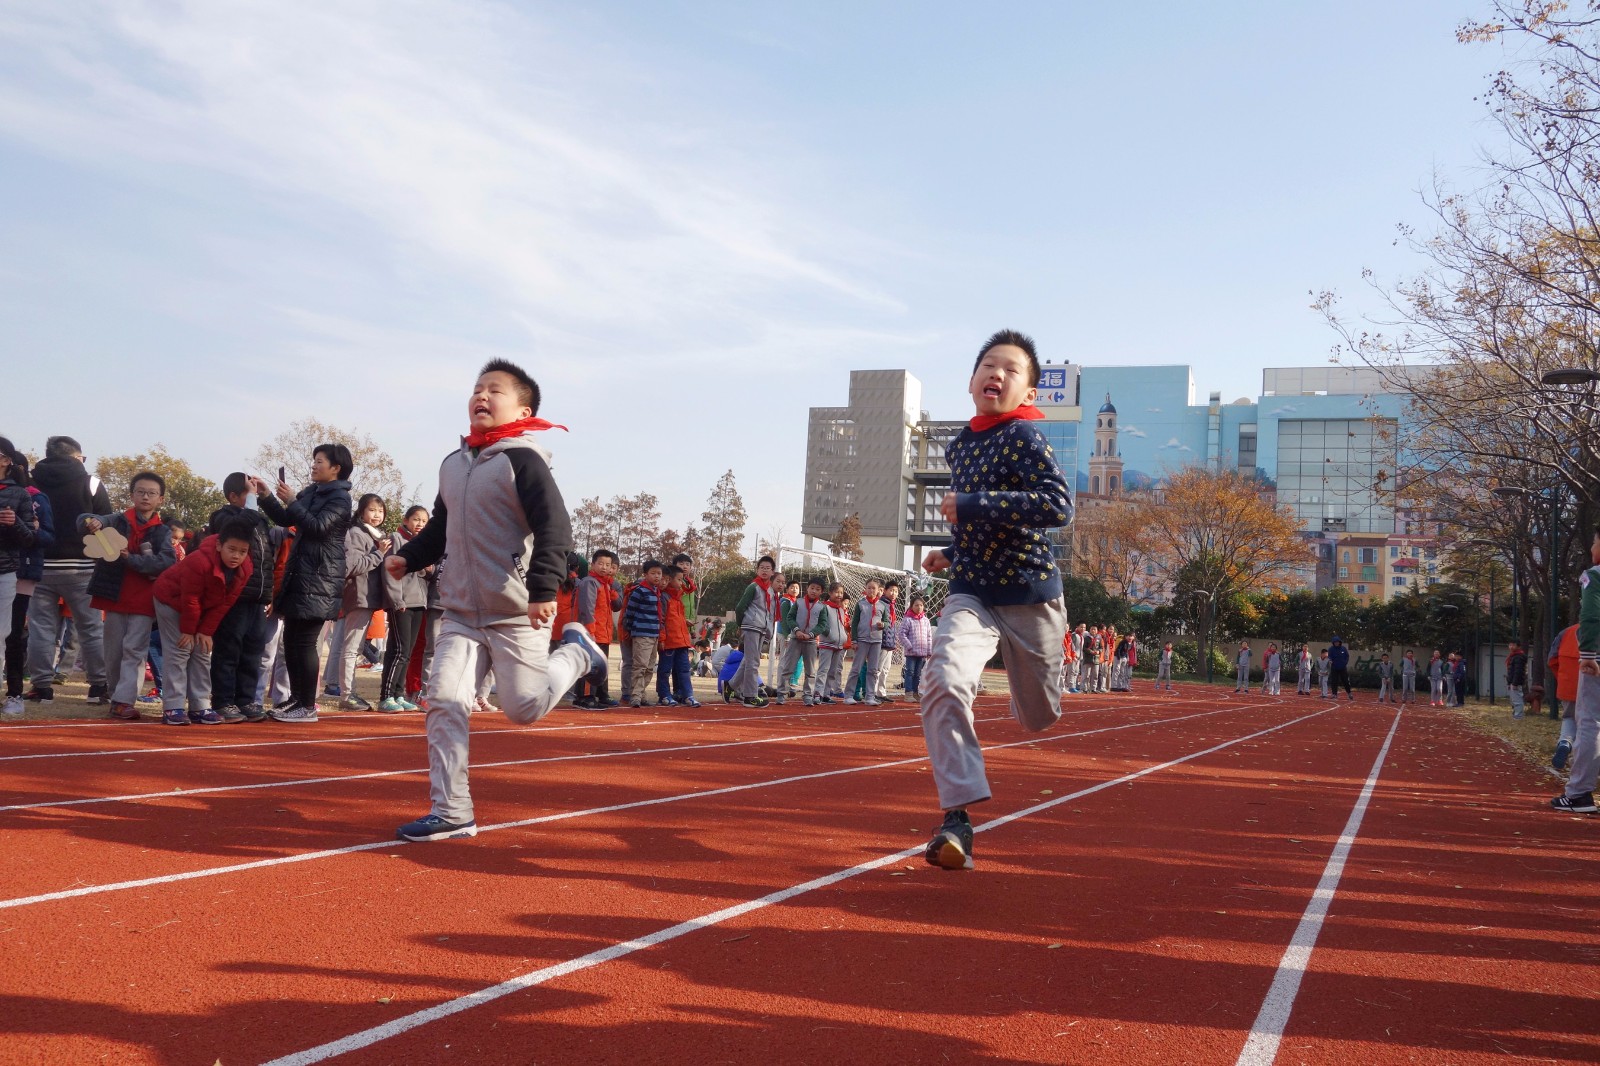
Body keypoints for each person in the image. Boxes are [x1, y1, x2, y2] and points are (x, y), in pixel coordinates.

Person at [387, 358, 605, 841]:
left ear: (523, 409)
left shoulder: (522, 460)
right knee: (443, 700)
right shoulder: (453, 463)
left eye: (495, 390)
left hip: (514, 611)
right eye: (477, 389)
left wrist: (543, 589)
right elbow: (443, 526)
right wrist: (409, 555)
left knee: (522, 708)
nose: (481, 396)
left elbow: (555, 527)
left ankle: (576, 654)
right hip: (462, 611)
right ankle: (452, 811)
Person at [919, 329, 1072, 872]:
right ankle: (956, 815)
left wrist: (973, 505)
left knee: (1039, 716)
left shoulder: (1025, 438)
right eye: (989, 364)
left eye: (1011, 370)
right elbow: (977, 524)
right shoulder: (961, 444)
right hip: (974, 593)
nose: (997, 373)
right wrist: (951, 552)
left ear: (1026, 393)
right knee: (940, 678)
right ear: (971, 381)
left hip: (1030, 596)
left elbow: (1057, 506)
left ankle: (1029, 679)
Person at [252, 443, 355, 722]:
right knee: (292, 641)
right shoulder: (312, 492)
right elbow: (288, 519)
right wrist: (267, 495)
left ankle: (307, 705)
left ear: (336, 468)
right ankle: (296, 699)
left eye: (319, 461)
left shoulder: (341, 499)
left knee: (306, 642)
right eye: (314, 460)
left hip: (320, 578)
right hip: (301, 574)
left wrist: (293, 501)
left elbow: (318, 527)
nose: (314, 465)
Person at [78, 472, 177, 720]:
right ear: (132, 495)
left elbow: (166, 561)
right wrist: (92, 521)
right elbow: (85, 519)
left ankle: (124, 701)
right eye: (140, 491)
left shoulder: (162, 531)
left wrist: (129, 559)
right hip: (113, 594)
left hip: (144, 597)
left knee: (135, 649)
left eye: (151, 493)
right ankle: (116, 696)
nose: (145, 496)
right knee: (113, 651)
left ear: (160, 499)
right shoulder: (115, 520)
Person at [24, 436, 113, 704]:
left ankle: (41, 688)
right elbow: (107, 523)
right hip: (82, 567)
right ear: (76, 457)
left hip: (39, 565)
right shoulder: (91, 483)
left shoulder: (30, 482)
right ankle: (98, 687)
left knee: (41, 629)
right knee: (91, 629)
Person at [150, 520, 256, 724]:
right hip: (170, 600)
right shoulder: (199, 561)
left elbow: (226, 602)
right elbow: (190, 598)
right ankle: (173, 707)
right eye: (231, 549)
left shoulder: (245, 568)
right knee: (180, 650)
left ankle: (200, 706)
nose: (236, 556)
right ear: (219, 545)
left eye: (242, 551)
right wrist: (189, 630)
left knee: (203, 650)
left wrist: (205, 631)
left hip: (199, 606)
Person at [204, 473, 277, 722]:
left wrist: (269, 592)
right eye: (249, 493)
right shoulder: (223, 517)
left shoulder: (259, 521)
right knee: (228, 649)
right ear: (233, 496)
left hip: (257, 596)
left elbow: (268, 556)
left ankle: (246, 700)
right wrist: (253, 505)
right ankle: (223, 700)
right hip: (233, 595)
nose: (254, 498)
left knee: (252, 651)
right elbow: (239, 530)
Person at [1552, 524, 1600, 813]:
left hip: (1597, 658)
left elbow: (1592, 615)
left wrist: (1587, 655)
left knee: (1589, 722)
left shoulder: (1593, 576)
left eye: (1594, 543)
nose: (1592, 549)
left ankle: (1579, 792)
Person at [2, 447, 52, 718]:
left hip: (21, 571)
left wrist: (22, 524)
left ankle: (14, 692)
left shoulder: (34, 497)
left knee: (12, 635)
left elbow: (43, 537)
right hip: (9, 568)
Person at [333, 493, 390, 711]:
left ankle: (350, 693)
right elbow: (352, 566)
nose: (377, 515)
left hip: (368, 597)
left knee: (354, 647)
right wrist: (379, 554)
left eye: (380, 511)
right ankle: (347, 695)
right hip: (359, 596)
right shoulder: (356, 533)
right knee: (351, 647)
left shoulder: (376, 535)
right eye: (372, 510)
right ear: (362, 512)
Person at [376, 505, 430, 712]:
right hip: (402, 603)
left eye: (424, 521)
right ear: (405, 520)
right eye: (416, 519)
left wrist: (426, 567)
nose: (420, 524)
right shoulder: (396, 539)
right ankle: (386, 696)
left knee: (407, 652)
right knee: (398, 650)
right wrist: (397, 600)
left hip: (419, 602)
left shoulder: (423, 544)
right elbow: (389, 571)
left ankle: (399, 695)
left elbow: (426, 573)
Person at [0, 440, 40, 693]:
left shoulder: (19, 494)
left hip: (5, 571)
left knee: (1, 635)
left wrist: (13, 522)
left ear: (6, 460)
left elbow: (29, 539)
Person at [575, 548, 622, 708]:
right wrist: (590, 632)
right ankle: (585, 697)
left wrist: (613, 592)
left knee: (601, 665)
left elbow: (615, 607)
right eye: (600, 563)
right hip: (593, 632)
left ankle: (602, 694)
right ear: (593, 564)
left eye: (608, 565)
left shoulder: (606, 585)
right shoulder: (590, 582)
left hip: (604, 632)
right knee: (590, 665)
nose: (604, 567)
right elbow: (587, 609)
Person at [729, 556, 778, 707]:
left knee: (749, 660)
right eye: (761, 567)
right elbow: (740, 607)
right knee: (753, 662)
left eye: (767, 568)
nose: (764, 570)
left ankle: (730, 686)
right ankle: (750, 696)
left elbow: (770, 613)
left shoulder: (770, 590)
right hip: (751, 627)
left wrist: (768, 630)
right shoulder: (753, 587)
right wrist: (741, 624)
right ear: (757, 570)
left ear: (772, 571)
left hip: (761, 628)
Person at [777, 578, 826, 705]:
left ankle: (807, 695)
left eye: (817, 589)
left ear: (821, 592)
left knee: (810, 670)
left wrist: (811, 634)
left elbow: (822, 624)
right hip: (795, 639)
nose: (814, 591)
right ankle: (782, 694)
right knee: (788, 667)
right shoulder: (798, 602)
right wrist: (797, 631)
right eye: (812, 588)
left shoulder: (821, 607)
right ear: (807, 588)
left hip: (810, 642)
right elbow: (790, 617)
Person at [622, 560, 664, 708]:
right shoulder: (640, 591)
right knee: (640, 665)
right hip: (642, 633)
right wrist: (630, 629)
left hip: (654, 634)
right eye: (653, 573)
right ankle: (635, 696)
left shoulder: (657, 592)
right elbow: (630, 612)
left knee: (650, 667)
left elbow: (660, 615)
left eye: (659, 573)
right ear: (645, 575)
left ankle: (642, 694)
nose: (657, 576)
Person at [656, 564, 698, 707]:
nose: (681, 583)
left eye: (682, 580)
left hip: (682, 641)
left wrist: (685, 622)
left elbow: (692, 588)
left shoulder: (678, 598)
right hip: (669, 642)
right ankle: (664, 695)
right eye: (679, 580)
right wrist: (662, 638)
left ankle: (688, 695)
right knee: (665, 670)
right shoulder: (664, 597)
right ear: (669, 580)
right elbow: (661, 620)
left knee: (685, 670)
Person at [846, 578, 889, 706]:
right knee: (856, 668)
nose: (871, 590)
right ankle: (849, 695)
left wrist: (883, 624)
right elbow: (854, 623)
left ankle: (870, 696)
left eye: (873, 588)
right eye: (868, 587)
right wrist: (854, 640)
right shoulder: (860, 604)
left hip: (876, 641)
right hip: (862, 640)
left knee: (873, 670)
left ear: (878, 590)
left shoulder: (882, 605)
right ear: (865, 589)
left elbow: (887, 621)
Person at [810, 581, 849, 705]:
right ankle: (817, 693)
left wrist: (843, 636)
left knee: (832, 671)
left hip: (839, 645)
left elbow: (841, 625)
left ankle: (826, 694)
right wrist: (830, 634)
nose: (839, 595)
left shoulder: (841, 610)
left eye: (841, 593)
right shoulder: (824, 607)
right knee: (823, 669)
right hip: (827, 643)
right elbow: (822, 624)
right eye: (836, 592)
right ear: (830, 593)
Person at [1549, 624, 1578, 771]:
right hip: (1594, 686)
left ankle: (1565, 742)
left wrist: (1562, 678)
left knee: (1569, 717)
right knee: (1592, 726)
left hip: (1568, 685)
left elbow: (1552, 660)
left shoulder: (1565, 632)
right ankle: (1581, 764)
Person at [896, 593, 933, 701]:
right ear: (912, 606)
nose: (919, 607)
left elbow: (929, 636)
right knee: (910, 672)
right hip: (911, 653)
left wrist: (929, 650)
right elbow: (901, 634)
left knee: (918, 674)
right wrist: (909, 646)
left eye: (921, 605)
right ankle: (908, 693)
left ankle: (916, 693)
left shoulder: (926, 621)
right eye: (916, 605)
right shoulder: (908, 619)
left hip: (922, 653)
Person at [1506, 641, 1528, 719]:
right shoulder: (1513, 656)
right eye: (1510, 645)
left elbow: (1518, 671)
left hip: (1516, 682)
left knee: (1517, 700)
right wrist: (1509, 682)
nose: (1511, 647)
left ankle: (1518, 716)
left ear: (1518, 646)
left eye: (1513, 645)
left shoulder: (1519, 657)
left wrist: (1514, 683)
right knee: (1514, 700)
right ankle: (1516, 715)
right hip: (1513, 681)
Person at [1328, 636, 1354, 701]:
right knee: (1334, 681)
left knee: (1345, 681)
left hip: (1343, 668)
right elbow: (1329, 656)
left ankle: (1349, 693)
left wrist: (1345, 662)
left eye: (1338, 642)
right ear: (1333, 643)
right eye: (1335, 642)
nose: (1336, 643)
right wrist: (1330, 660)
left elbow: (1347, 656)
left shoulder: (1343, 649)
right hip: (1334, 667)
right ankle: (1334, 694)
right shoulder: (1331, 649)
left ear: (1340, 642)